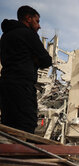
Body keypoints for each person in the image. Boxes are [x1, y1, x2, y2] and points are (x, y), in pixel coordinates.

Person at [0, 6, 52, 134]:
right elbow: (46, 60)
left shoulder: (5, 37)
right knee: (26, 124)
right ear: (28, 18)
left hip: (5, 87)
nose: (39, 26)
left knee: (9, 125)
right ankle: (22, 153)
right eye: (37, 21)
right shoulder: (28, 34)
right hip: (23, 86)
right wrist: (34, 58)